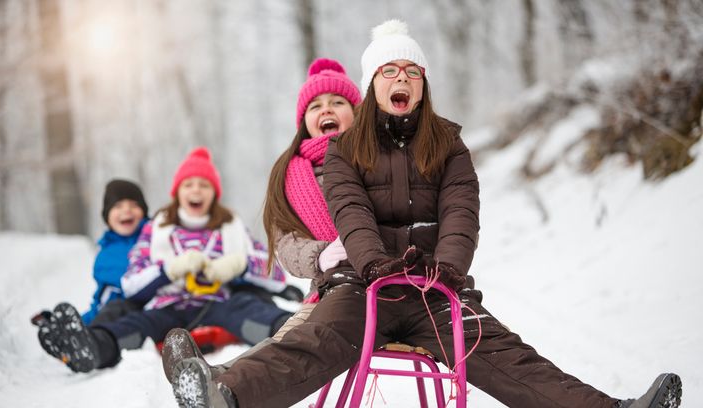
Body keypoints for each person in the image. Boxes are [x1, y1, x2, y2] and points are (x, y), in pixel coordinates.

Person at [166, 20, 683, 408]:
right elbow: (350, 213)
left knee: (505, 354)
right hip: (360, 286)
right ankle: (221, 392)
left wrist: (449, 268)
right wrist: (371, 265)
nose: (401, 78)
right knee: (313, 341)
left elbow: (462, 212)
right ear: (373, 85)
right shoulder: (346, 152)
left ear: (422, 84)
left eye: (411, 70)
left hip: (434, 287)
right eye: (389, 70)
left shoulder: (449, 146)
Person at [160, 57, 361, 382]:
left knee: (292, 336)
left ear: (357, 112)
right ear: (304, 120)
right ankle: (211, 380)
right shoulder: (292, 175)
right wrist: (321, 254)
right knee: (286, 339)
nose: (326, 110)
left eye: (338, 102)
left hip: (367, 285)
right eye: (315, 105)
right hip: (327, 285)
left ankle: (219, 382)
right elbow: (285, 243)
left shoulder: (373, 162)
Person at [37, 146, 293, 374]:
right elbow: (130, 282)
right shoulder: (158, 228)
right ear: (177, 192)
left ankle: (293, 332)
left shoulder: (230, 226)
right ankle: (95, 347)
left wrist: (240, 265)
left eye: (203, 185)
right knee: (138, 323)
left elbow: (276, 274)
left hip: (217, 301)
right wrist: (169, 270)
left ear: (213, 193)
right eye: (188, 184)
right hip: (169, 305)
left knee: (250, 308)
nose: (196, 190)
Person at [32, 178, 148, 360]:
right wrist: (77, 323)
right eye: (118, 206)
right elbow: (100, 302)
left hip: (139, 306)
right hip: (113, 310)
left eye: (133, 205)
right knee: (106, 312)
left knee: (114, 310)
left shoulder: (151, 239)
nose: (126, 210)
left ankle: (85, 345)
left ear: (144, 211)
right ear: (107, 216)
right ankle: (68, 336)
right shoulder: (106, 252)